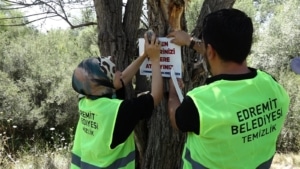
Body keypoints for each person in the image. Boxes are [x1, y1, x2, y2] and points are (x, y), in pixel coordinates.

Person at [167, 8, 290, 169]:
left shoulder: (200, 104)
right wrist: (190, 42)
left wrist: (173, 91)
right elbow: (229, 55)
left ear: (210, 51)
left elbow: (175, 119)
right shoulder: (273, 86)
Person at [70, 32, 162, 169]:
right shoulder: (119, 112)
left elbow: (121, 79)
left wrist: (144, 55)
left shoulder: (85, 99)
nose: (120, 72)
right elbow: (156, 96)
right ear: (105, 84)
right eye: (114, 71)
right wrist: (155, 59)